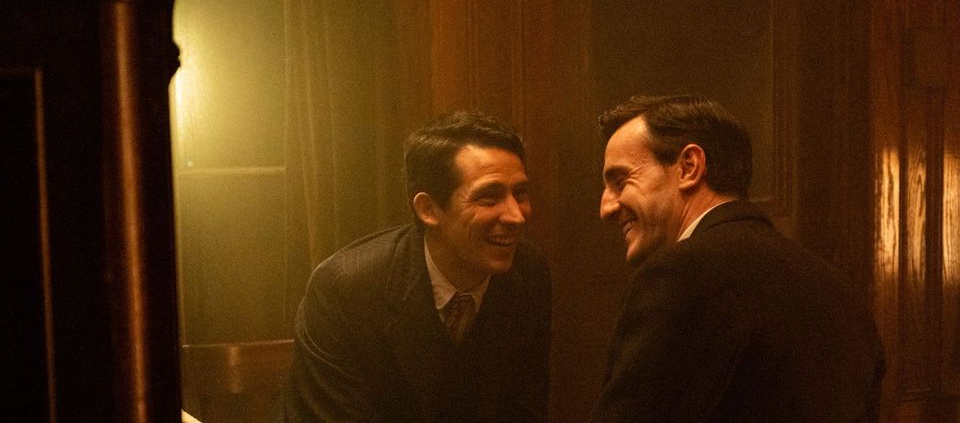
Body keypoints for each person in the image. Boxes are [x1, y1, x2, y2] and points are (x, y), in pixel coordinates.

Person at [590, 95, 884, 421]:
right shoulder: (842, 293)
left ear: (689, 167)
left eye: (621, 181)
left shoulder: (679, 275)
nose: (606, 207)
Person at [281, 110, 551, 422]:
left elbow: (526, 411)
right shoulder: (346, 287)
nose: (516, 216)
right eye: (489, 198)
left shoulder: (528, 272)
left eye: (520, 193)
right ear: (428, 209)